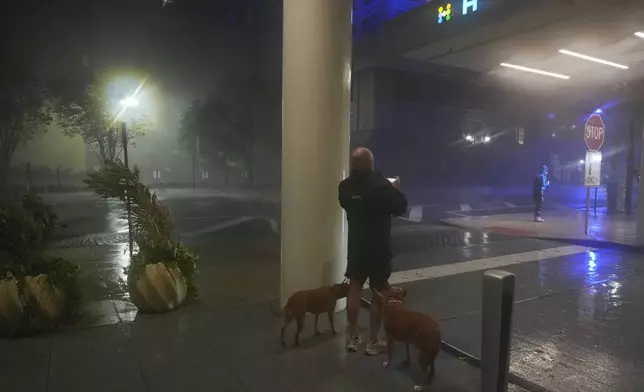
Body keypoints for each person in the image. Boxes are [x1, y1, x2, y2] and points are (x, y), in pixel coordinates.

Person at [338, 147, 408, 354]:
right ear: (370, 164)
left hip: (357, 245)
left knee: (354, 288)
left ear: (353, 164)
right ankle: (373, 342)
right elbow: (400, 208)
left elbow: (347, 205)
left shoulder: (344, 187)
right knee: (378, 292)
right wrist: (394, 188)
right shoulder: (382, 186)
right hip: (379, 247)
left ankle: (352, 337)